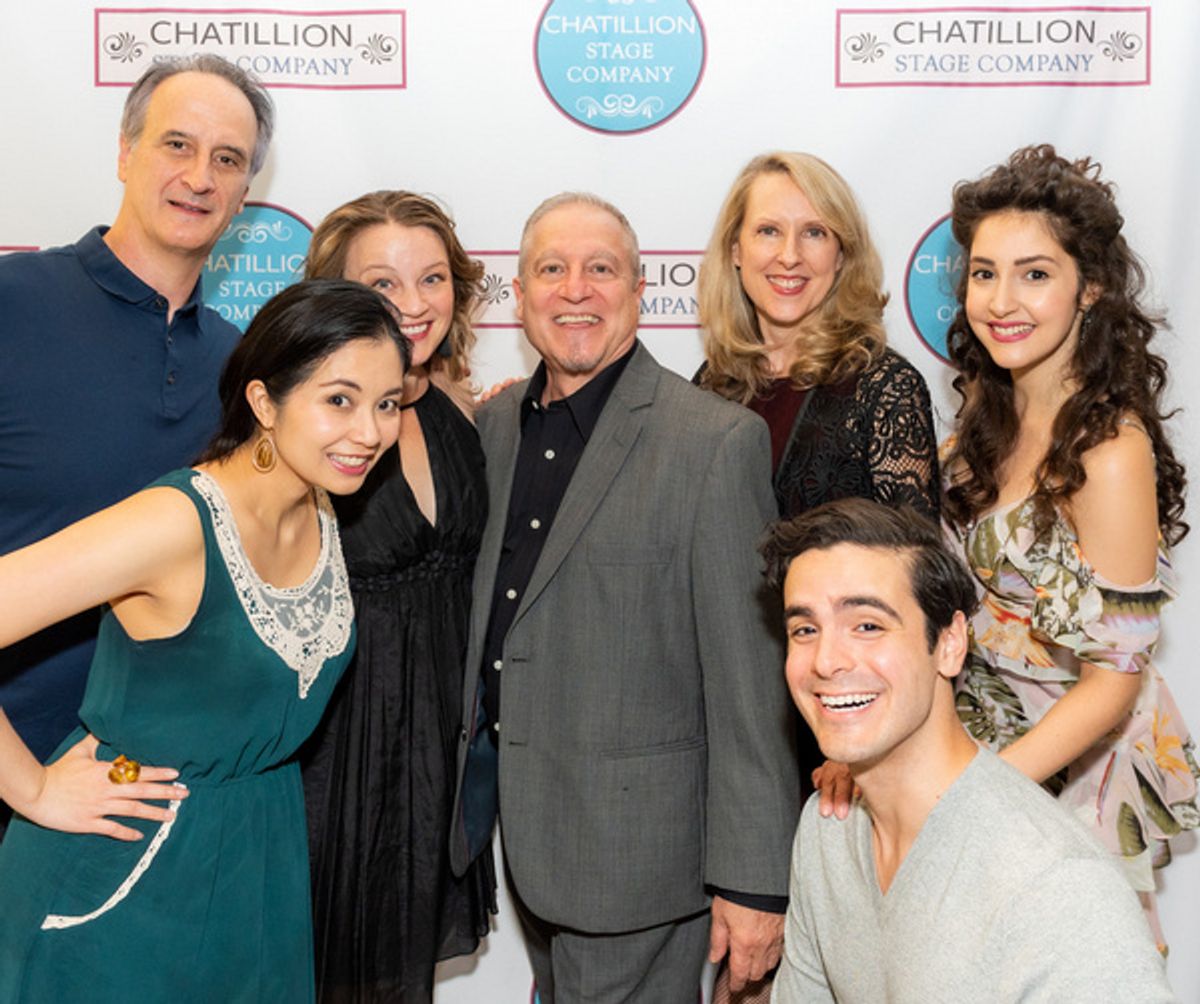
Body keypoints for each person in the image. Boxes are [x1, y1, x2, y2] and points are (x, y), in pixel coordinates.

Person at [0, 279, 409, 1000]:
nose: (370, 432)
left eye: (387, 404)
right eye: (338, 400)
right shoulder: (174, 523)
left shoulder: (321, 504)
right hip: (127, 874)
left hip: (260, 867)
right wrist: (31, 788)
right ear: (262, 402)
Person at [449, 193, 799, 1003]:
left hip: (646, 865)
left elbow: (751, 689)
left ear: (641, 291)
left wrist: (754, 882)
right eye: (551, 270)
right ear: (521, 295)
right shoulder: (493, 429)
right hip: (528, 844)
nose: (576, 290)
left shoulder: (712, 444)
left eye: (600, 269)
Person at [0, 55, 274, 827]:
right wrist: (30, 786)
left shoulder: (241, 366)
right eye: (176, 145)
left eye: (227, 160)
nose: (200, 176)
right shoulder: (12, 306)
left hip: (144, 792)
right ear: (125, 153)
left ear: (245, 194)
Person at [761, 498, 1178, 1002]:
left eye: (868, 625)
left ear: (952, 642)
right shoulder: (826, 830)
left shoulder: (1058, 885)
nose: (825, 661)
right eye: (804, 630)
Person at [941, 145, 1199, 949]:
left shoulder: (1109, 449)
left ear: (1089, 288)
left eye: (1034, 274)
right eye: (984, 273)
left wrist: (979, 790)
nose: (1002, 300)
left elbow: (1113, 682)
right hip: (977, 752)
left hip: (1068, 773)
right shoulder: (984, 422)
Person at [300, 192, 495, 1002]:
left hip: (432, 758)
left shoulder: (456, 408)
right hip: (333, 756)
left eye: (434, 278)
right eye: (383, 283)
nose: (414, 306)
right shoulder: (303, 420)